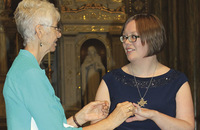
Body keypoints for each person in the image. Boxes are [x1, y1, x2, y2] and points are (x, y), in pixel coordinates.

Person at [3, 0, 135, 129]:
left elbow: (49, 125)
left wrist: (80, 118)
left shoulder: (25, 67)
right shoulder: (29, 74)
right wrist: (111, 121)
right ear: (40, 31)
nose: (59, 34)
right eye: (55, 28)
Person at [93, 14, 195, 129]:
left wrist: (154, 115)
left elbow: (188, 127)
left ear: (152, 37)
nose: (126, 42)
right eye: (124, 37)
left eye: (133, 37)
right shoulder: (110, 80)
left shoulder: (177, 81)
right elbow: (95, 127)